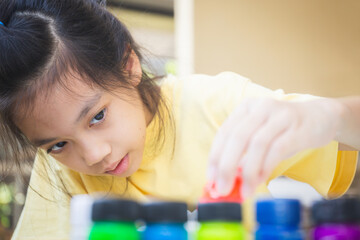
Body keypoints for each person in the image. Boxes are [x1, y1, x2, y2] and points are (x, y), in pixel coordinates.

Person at [0, 0, 358, 239]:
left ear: (129, 66)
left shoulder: (218, 104)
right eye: (59, 144)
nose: (93, 155)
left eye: (97, 116)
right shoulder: (59, 169)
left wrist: (333, 115)